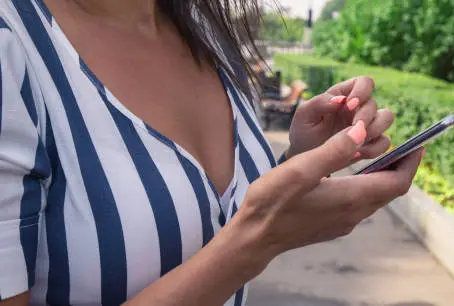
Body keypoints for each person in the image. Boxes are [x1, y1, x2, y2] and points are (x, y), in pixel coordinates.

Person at [0, 0, 424, 305]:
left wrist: (300, 159)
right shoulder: (13, 46)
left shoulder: (205, 33)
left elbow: (206, 214)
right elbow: (238, 241)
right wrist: (255, 243)